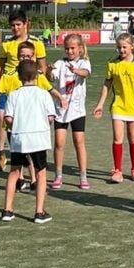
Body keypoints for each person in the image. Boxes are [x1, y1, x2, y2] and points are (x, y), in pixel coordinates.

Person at [0, 41, 66, 177]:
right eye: (22, 56)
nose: (24, 59)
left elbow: (49, 88)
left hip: (32, 123)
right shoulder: (9, 75)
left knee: (32, 154)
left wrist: (61, 98)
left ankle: (32, 179)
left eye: (28, 56)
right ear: (17, 56)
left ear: (33, 57)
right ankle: (19, 178)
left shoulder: (36, 75)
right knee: (18, 154)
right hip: (14, 123)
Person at [92, 32, 134, 183]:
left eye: (124, 47)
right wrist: (100, 104)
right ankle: (118, 170)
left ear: (132, 47)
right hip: (118, 106)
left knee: (133, 137)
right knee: (117, 138)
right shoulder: (112, 63)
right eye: (119, 47)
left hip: (133, 107)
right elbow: (107, 84)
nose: (121, 50)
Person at [0, 59, 55, 224]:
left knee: (14, 172)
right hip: (38, 138)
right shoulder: (44, 94)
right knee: (41, 172)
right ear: (37, 75)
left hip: (19, 137)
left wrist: (18, 125)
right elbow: (51, 117)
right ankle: (39, 211)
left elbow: (8, 118)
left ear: (18, 75)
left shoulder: (14, 94)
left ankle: (7, 210)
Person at [50, 34, 92, 190]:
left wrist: (75, 70)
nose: (69, 51)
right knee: (59, 143)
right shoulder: (60, 63)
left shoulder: (84, 62)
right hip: (61, 110)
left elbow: (85, 73)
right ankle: (58, 175)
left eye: (72, 48)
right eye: (67, 48)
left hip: (77, 110)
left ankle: (83, 176)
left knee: (79, 142)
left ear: (80, 49)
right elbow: (51, 77)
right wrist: (48, 71)